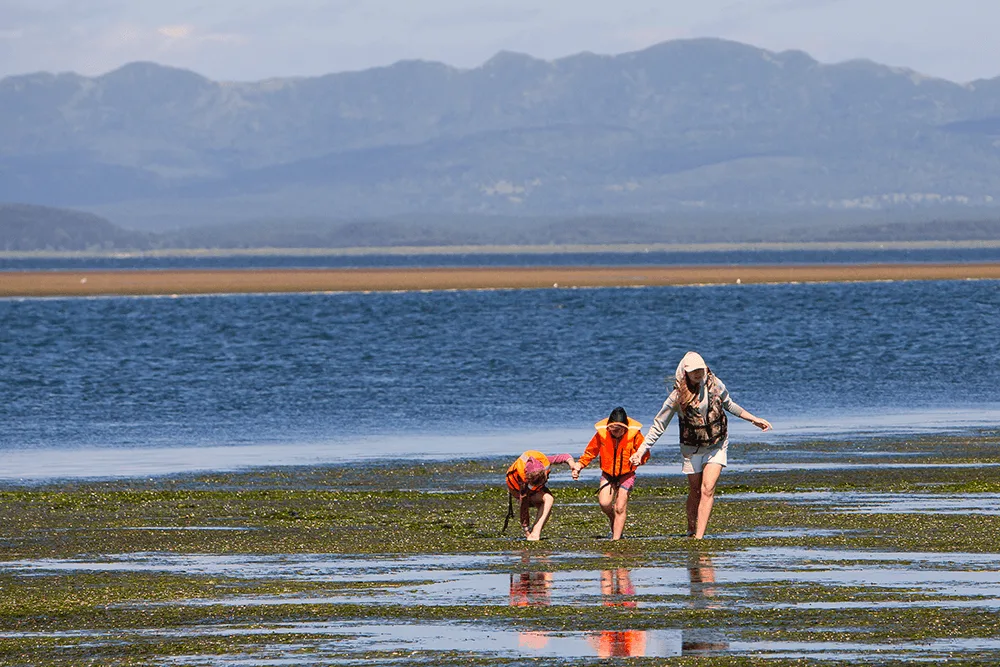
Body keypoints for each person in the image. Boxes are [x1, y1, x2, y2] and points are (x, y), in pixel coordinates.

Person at [630, 351, 771, 539]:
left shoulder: (715, 385)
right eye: (693, 371)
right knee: (695, 491)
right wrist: (641, 450)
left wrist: (754, 419)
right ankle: (691, 527)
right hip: (692, 448)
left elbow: (729, 404)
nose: (698, 373)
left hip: (717, 444)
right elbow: (659, 424)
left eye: (700, 370)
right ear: (685, 372)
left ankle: (699, 537)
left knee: (707, 488)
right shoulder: (677, 396)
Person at [571, 406, 649, 540]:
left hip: (627, 474)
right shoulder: (602, 435)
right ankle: (614, 519)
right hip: (608, 474)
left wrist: (638, 458)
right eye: (613, 429)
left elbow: (645, 454)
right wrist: (579, 465)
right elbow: (591, 452)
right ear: (608, 427)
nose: (616, 432)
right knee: (604, 503)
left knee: (620, 507)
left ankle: (616, 539)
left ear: (625, 428)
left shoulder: (635, 435)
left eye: (619, 430)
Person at [504, 450, 577, 540]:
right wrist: (526, 529)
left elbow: (565, 456)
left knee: (545, 507)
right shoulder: (524, 483)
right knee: (548, 499)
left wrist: (572, 464)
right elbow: (524, 507)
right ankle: (534, 534)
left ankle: (535, 532)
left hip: (534, 490)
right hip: (517, 490)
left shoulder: (543, 462)